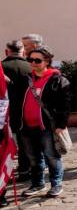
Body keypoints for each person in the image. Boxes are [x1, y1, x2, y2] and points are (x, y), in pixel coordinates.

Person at [19, 46, 70, 198]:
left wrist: (61, 124)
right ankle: (37, 184)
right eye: (30, 60)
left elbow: (65, 104)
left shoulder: (57, 79)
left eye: (37, 60)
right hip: (26, 126)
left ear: (47, 61)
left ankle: (56, 184)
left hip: (47, 126)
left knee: (52, 157)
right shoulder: (26, 79)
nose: (33, 63)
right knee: (33, 158)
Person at [3, 41, 32, 181]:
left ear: (6, 52)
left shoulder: (1, 67)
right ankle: (25, 171)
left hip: (4, 112)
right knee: (25, 142)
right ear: (23, 52)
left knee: (4, 144)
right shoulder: (31, 67)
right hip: (27, 111)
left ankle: (4, 173)